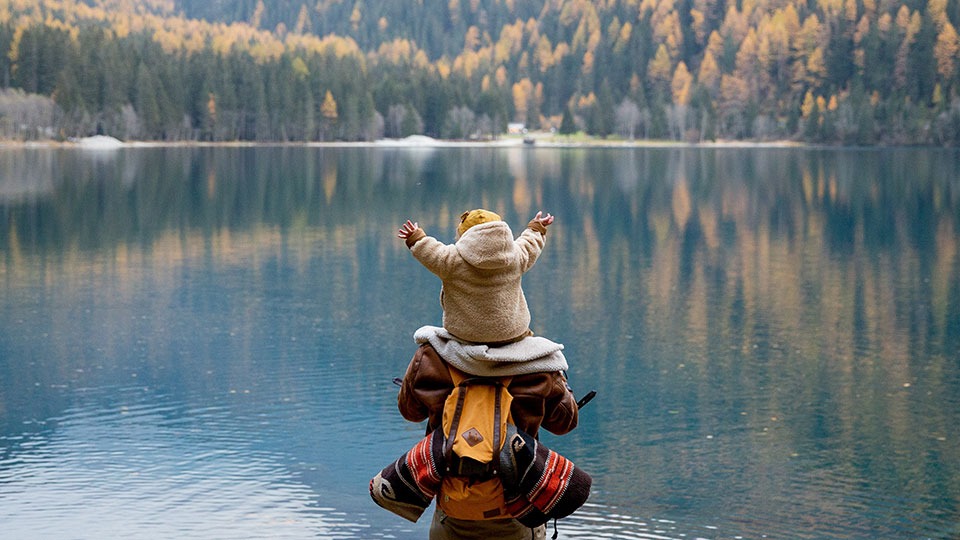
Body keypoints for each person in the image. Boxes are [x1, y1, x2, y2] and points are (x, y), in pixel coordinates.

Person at [396, 335, 580, 540]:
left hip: (451, 511)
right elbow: (565, 423)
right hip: (517, 512)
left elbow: (410, 412)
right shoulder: (537, 362)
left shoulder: (431, 355)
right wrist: (558, 376)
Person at [397, 209, 555, 345]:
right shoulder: (515, 257)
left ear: (464, 235)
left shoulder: (451, 260)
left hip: (465, 336)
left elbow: (429, 251)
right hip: (512, 334)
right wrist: (536, 227)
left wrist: (415, 236)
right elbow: (530, 243)